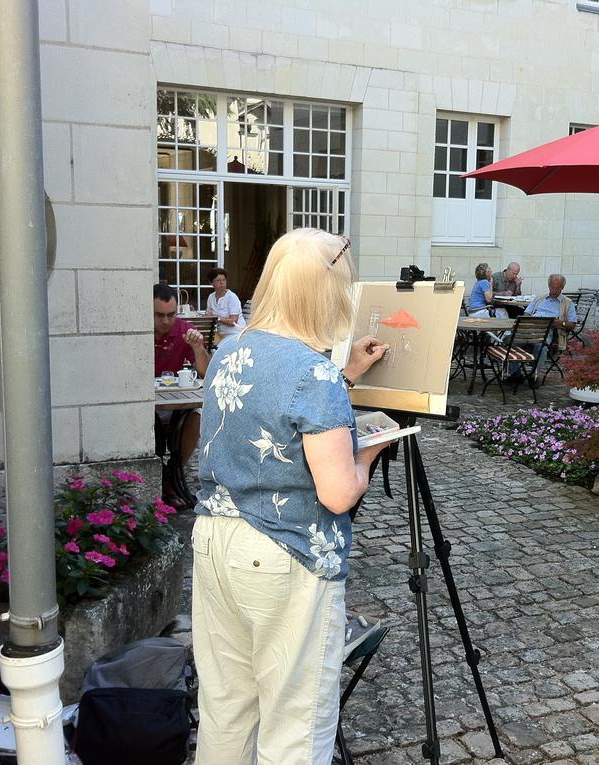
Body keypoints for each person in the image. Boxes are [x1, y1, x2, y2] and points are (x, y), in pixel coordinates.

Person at [191, 228, 389, 764]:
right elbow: (340, 493)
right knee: (295, 725)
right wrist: (369, 450)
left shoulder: (229, 348)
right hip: (285, 553)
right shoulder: (312, 372)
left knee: (226, 706)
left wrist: (345, 377)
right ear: (327, 293)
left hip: (215, 541)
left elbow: (273, 409)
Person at [153, 283, 209, 506]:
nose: (166, 321)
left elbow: (206, 372)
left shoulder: (184, 329)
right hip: (147, 405)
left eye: (171, 315)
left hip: (174, 401)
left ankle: (169, 478)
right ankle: (163, 480)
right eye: (159, 315)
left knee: (196, 416)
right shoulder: (136, 331)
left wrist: (197, 348)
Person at [525, 274, 578, 374]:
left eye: (557, 288)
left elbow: (572, 324)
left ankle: (535, 375)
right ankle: (514, 374)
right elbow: (527, 313)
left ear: (562, 288)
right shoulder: (540, 298)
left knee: (541, 346)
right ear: (548, 285)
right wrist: (526, 320)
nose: (554, 290)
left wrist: (560, 322)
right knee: (509, 340)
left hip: (549, 330)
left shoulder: (567, 303)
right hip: (530, 327)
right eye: (552, 287)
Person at [205, 266, 246, 345]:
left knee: (211, 345)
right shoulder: (211, 297)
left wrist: (216, 318)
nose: (222, 282)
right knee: (201, 340)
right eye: (218, 280)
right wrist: (206, 316)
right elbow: (209, 315)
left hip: (235, 334)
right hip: (220, 334)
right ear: (211, 283)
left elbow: (234, 321)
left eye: (224, 280)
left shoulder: (231, 297)